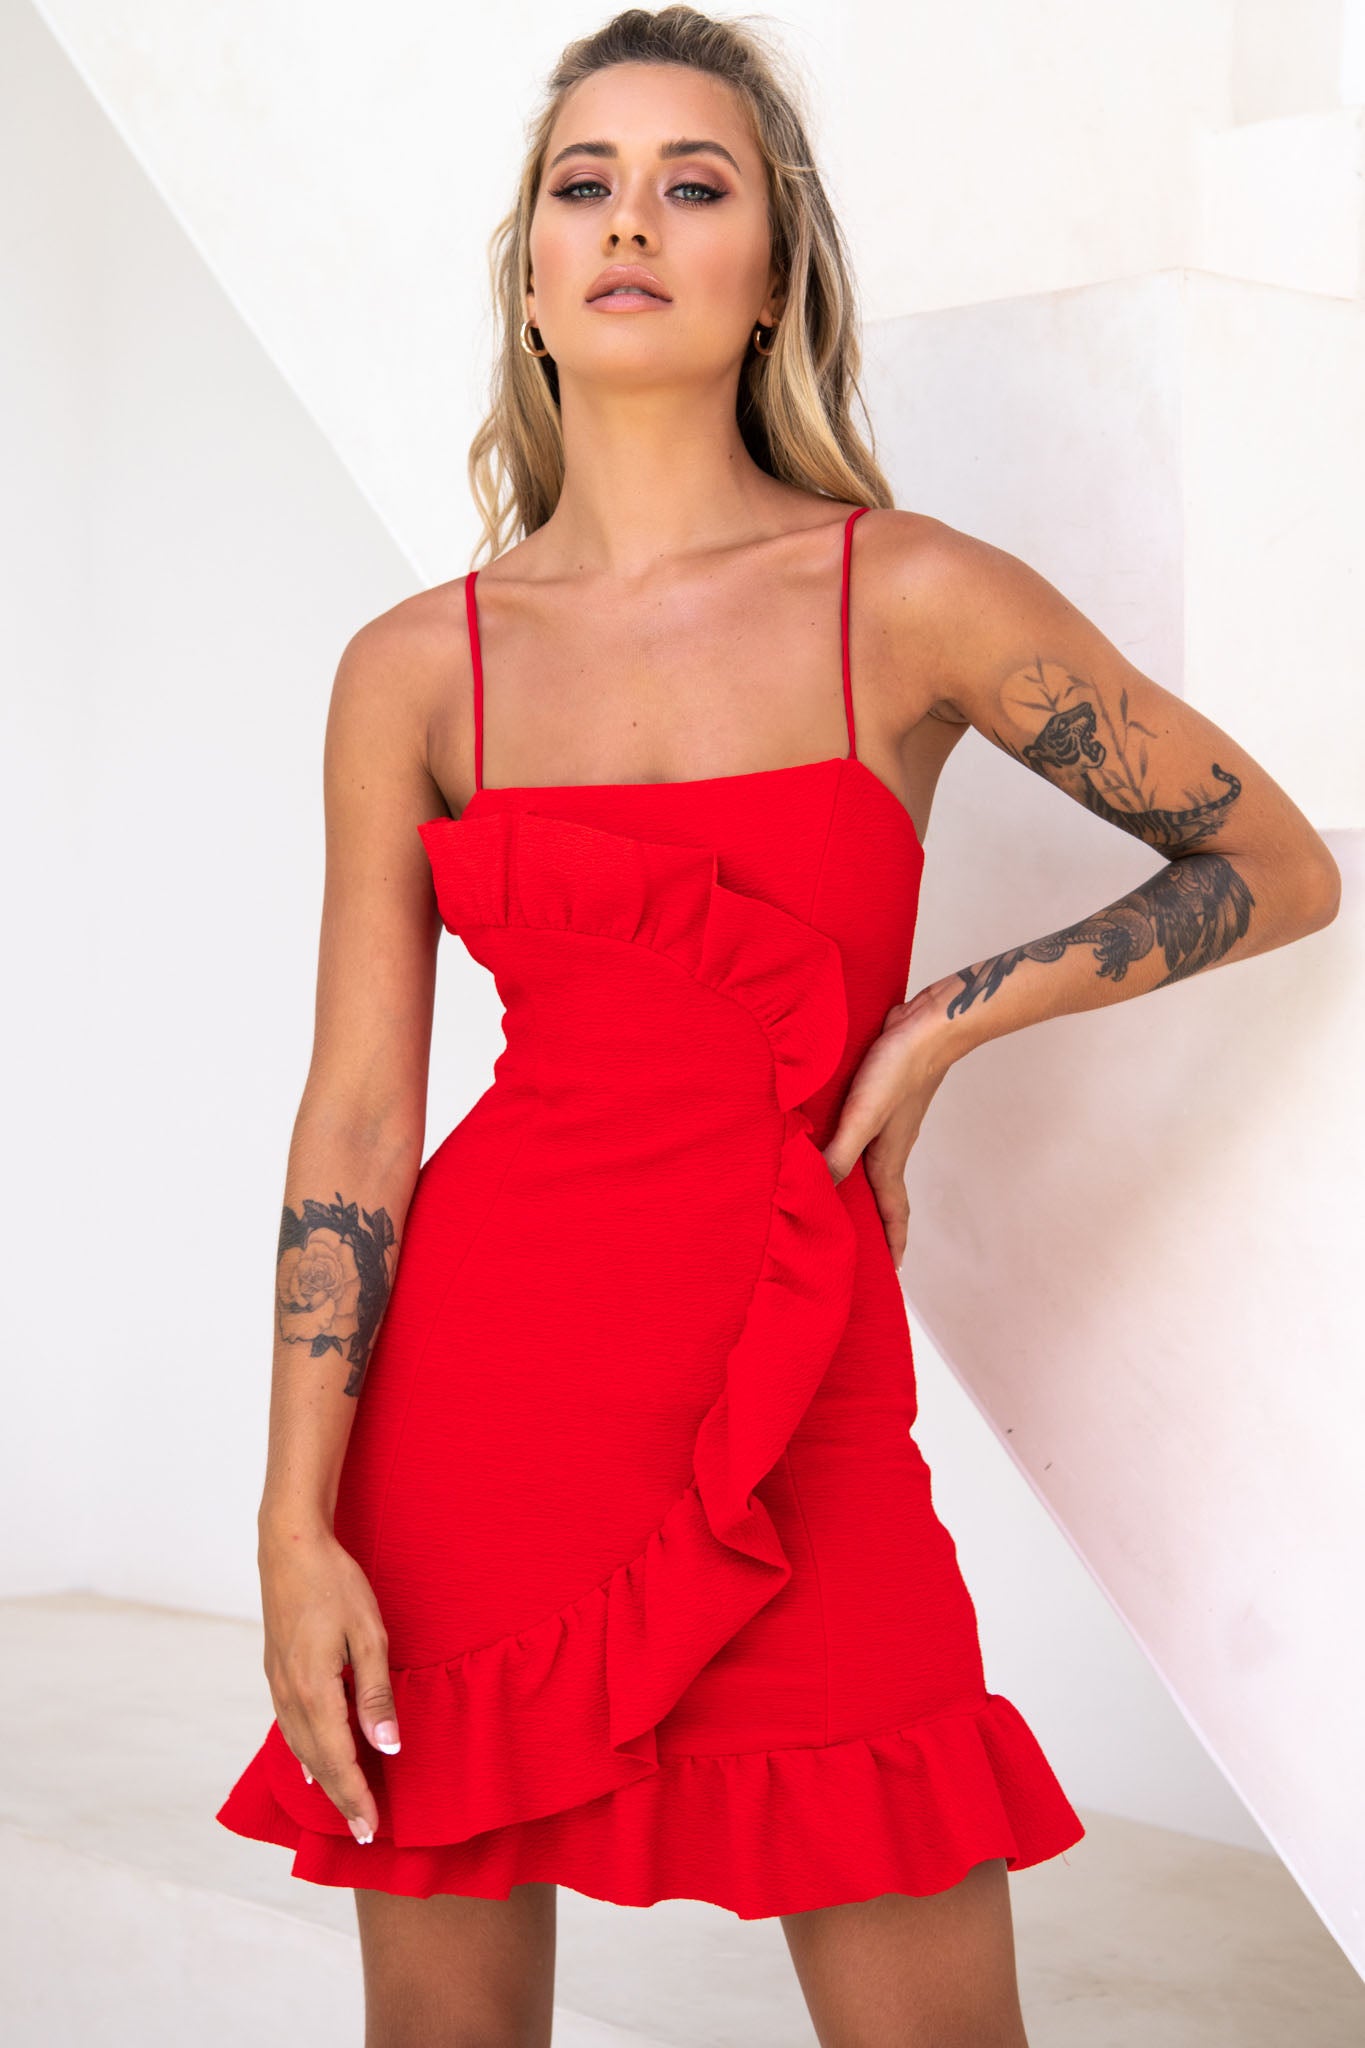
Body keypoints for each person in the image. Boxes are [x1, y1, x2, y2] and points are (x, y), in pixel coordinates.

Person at [215, 7, 1341, 2043]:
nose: (630, 219)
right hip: (477, 1412)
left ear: (771, 274)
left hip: (795, 1395)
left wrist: (937, 1024)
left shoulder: (902, 595)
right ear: (531, 280)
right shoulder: (414, 671)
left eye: (692, 182)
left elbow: (1269, 860)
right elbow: (359, 1113)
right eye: (584, 184)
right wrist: (294, 1521)